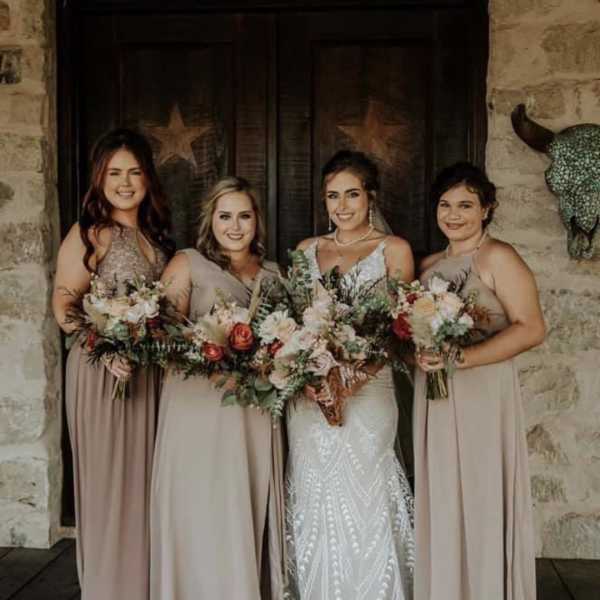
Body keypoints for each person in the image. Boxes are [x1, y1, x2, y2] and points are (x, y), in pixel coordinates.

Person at [285, 150, 416, 600]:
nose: (342, 206)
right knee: (315, 491)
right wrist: (312, 376)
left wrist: (352, 379)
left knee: (365, 489)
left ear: (370, 197)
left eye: (352, 195)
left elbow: (399, 327)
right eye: (333, 196)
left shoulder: (394, 250)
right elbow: (292, 323)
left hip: (369, 391)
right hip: (311, 395)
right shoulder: (305, 251)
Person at [413, 162, 545, 600]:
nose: (453, 215)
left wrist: (462, 357)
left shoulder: (498, 257)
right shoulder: (428, 265)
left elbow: (532, 328)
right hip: (434, 397)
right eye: (445, 204)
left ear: (486, 209)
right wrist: (417, 350)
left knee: (481, 493)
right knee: (443, 495)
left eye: (466, 205)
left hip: (483, 396)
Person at [52, 128, 174, 600]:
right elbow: (64, 305)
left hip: (146, 374)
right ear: (99, 179)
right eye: (114, 173)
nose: (125, 183)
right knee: (111, 487)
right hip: (103, 373)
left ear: (148, 179)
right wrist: (105, 346)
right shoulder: (90, 234)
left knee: (143, 486)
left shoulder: (154, 236)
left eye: (134, 172)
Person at [150, 176, 285, 600]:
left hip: (251, 409)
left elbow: (285, 340)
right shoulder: (187, 263)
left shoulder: (273, 274)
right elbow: (161, 333)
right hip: (197, 407)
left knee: (240, 504)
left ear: (256, 220)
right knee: (197, 505)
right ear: (211, 220)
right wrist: (209, 362)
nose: (235, 226)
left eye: (244, 216)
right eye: (225, 216)